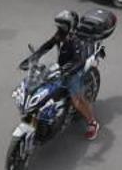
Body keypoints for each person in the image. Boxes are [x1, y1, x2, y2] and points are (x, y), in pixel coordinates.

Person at [29, 10, 99, 140]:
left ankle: (92, 122)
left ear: (70, 27)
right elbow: (48, 45)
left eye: (63, 26)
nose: (59, 29)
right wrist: (33, 58)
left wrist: (66, 71)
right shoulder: (61, 35)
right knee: (42, 87)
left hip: (75, 71)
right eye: (59, 26)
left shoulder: (76, 40)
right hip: (61, 69)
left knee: (77, 101)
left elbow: (79, 60)